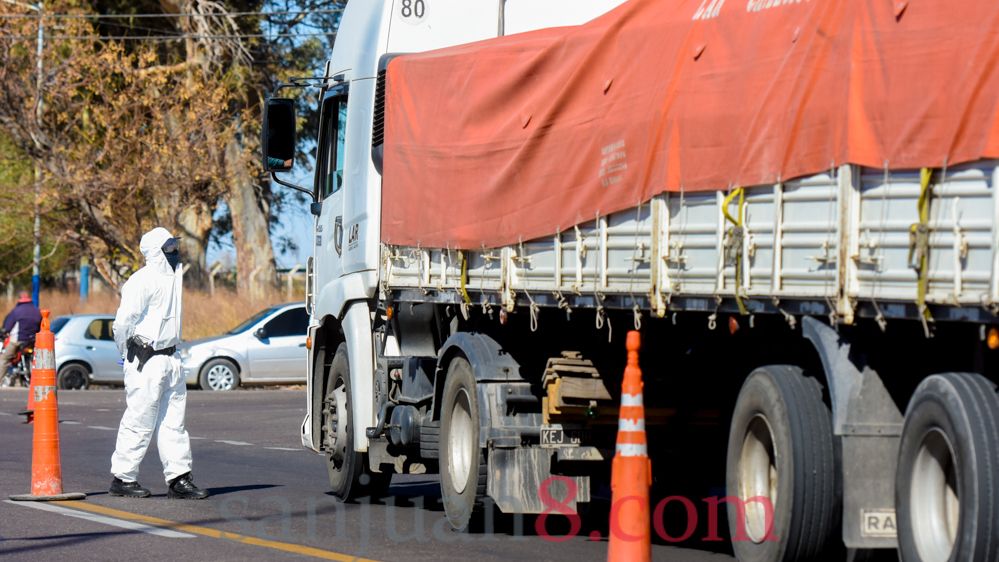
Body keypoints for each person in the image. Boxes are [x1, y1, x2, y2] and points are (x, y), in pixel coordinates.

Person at [109, 227, 208, 500]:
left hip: (172, 358)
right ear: (155, 252)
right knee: (139, 421)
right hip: (146, 359)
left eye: (175, 247)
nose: (175, 252)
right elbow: (123, 323)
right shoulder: (141, 281)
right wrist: (127, 352)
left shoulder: (174, 278)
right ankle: (123, 478)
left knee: (174, 423)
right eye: (169, 248)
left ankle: (179, 479)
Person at [1, 291, 41, 387]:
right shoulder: (37, 310)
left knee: (4, 359)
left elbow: (7, 327)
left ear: (19, 299)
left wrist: (4, 332)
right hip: (33, 341)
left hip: (18, 340)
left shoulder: (16, 311)